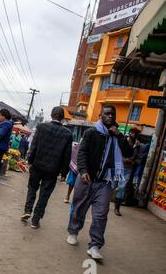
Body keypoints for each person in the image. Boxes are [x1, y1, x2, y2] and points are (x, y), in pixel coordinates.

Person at [66, 105, 133, 260]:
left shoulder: (117, 136)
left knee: (101, 214)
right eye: (107, 113)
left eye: (113, 114)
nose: (110, 116)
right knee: (79, 208)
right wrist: (83, 171)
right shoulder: (91, 133)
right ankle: (73, 232)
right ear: (100, 115)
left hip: (105, 182)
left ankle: (95, 245)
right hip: (86, 179)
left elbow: (129, 153)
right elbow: (82, 153)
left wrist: (120, 136)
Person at [21, 107, 72, 229]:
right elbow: (67, 155)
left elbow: (34, 146)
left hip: (37, 165)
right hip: (53, 170)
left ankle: (27, 210)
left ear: (52, 115)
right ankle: (35, 220)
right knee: (45, 194)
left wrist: (30, 161)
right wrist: (64, 173)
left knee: (32, 188)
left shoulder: (41, 127)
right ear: (62, 117)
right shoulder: (67, 133)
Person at [114, 127, 142, 215]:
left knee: (122, 187)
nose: (133, 134)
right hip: (118, 166)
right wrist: (123, 159)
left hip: (128, 169)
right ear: (129, 133)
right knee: (114, 185)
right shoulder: (123, 140)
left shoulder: (138, 145)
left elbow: (139, 158)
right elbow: (117, 151)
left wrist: (133, 161)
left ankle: (117, 208)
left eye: (135, 133)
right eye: (132, 132)